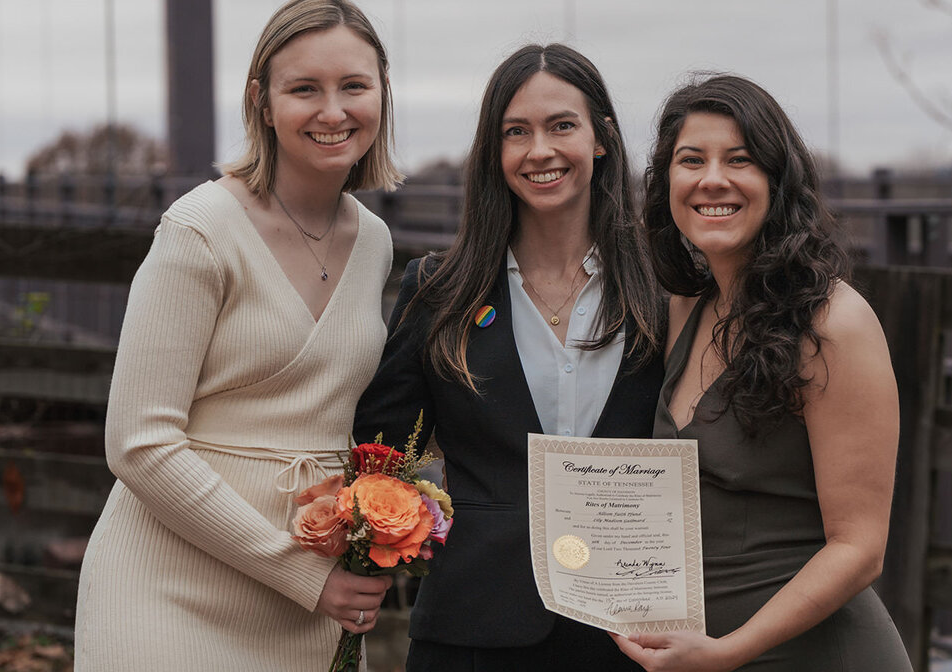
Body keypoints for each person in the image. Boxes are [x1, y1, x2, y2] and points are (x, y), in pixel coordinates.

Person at [74, 0, 402, 670]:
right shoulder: (199, 232)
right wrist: (303, 575)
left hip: (311, 609)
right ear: (261, 99)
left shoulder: (374, 242)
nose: (333, 110)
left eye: (354, 86)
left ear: (382, 94)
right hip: (167, 594)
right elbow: (138, 443)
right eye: (304, 88)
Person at [354, 43, 663, 671]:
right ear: (493, 153)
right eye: (515, 132)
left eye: (561, 126)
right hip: (473, 631)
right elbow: (381, 455)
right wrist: (381, 550)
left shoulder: (667, 291)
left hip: (635, 634)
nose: (539, 150)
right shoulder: (440, 290)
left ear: (601, 138)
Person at [612, 75, 912, 671]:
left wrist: (727, 653)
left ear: (777, 181)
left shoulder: (833, 323)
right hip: (698, 655)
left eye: (740, 160)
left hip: (811, 654)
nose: (712, 180)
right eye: (691, 160)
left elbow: (859, 549)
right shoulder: (682, 309)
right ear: (666, 183)